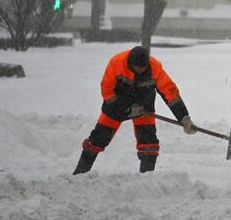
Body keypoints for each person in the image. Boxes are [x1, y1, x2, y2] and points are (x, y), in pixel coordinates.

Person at [73, 46, 196, 175]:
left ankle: (146, 178)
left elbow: (170, 92)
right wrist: (126, 108)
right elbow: (107, 90)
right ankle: (79, 174)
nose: (141, 70)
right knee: (97, 140)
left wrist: (184, 118)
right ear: (130, 63)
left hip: (143, 109)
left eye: (143, 67)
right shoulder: (117, 62)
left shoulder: (155, 67)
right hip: (116, 107)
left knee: (149, 145)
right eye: (138, 67)